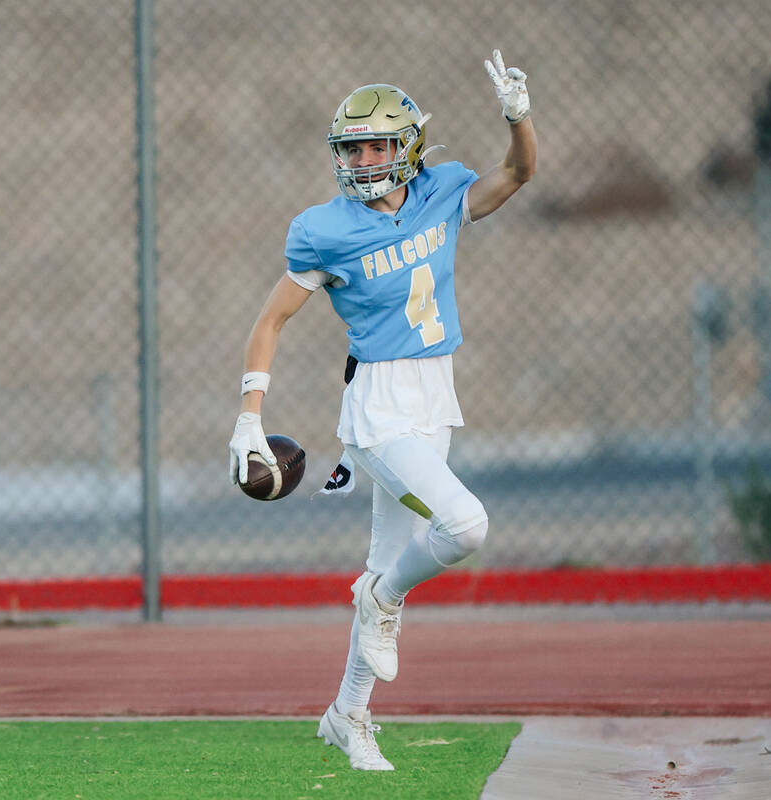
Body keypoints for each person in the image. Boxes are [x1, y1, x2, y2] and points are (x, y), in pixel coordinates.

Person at [229, 49, 536, 771]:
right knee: (463, 526)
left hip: (436, 391)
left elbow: (519, 173)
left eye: (376, 144)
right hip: (379, 403)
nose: (364, 159)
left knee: (387, 557)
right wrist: (249, 414)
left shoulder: (440, 193)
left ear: (409, 147)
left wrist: (519, 119)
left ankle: (349, 716)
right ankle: (381, 597)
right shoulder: (325, 229)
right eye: (352, 147)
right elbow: (270, 320)